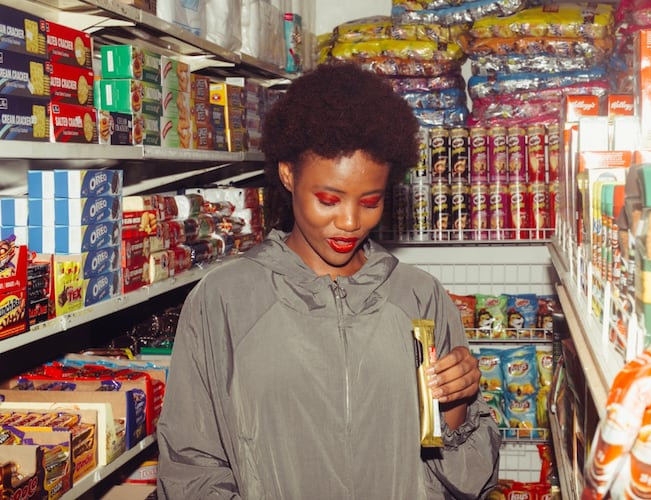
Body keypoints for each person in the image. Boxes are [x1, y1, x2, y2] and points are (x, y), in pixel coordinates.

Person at [157, 63, 501, 499]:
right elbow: (192, 466)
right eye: (328, 199)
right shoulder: (225, 300)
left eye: (370, 201)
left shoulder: (418, 297)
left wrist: (457, 404)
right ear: (288, 175)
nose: (350, 222)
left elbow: (462, 478)